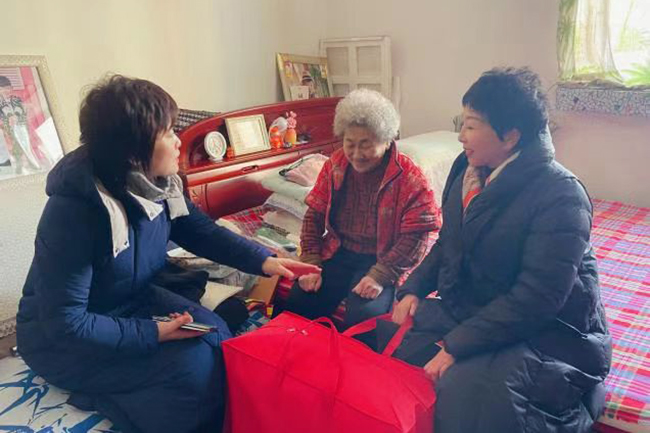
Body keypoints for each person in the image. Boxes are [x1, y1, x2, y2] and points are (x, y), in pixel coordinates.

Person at [15, 75, 319, 433]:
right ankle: (108, 402)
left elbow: (197, 230)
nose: (178, 141)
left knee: (217, 335)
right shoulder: (76, 212)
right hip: (60, 341)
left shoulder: (157, 185)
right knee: (194, 370)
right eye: (168, 132)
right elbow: (67, 323)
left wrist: (263, 260)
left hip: (127, 299)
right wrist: (153, 332)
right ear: (133, 150)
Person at [390, 67, 611, 433]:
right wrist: (413, 287)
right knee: (405, 353)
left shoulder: (561, 195)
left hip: (552, 330)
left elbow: (538, 298)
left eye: (471, 125)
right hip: (483, 306)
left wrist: (458, 345)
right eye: (462, 123)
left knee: (473, 396)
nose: (460, 136)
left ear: (510, 136)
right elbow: (450, 241)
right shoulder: (466, 168)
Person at [284, 88, 441, 328]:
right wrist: (311, 262)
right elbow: (313, 216)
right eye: (350, 144)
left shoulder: (409, 177)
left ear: (387, 141)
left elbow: (417, 237)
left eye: (366, 145)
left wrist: (380, 275)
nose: (356, 154)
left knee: (366, 316)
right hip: (339, 251)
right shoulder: (335, 165)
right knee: (299, 299)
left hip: (384, 256)